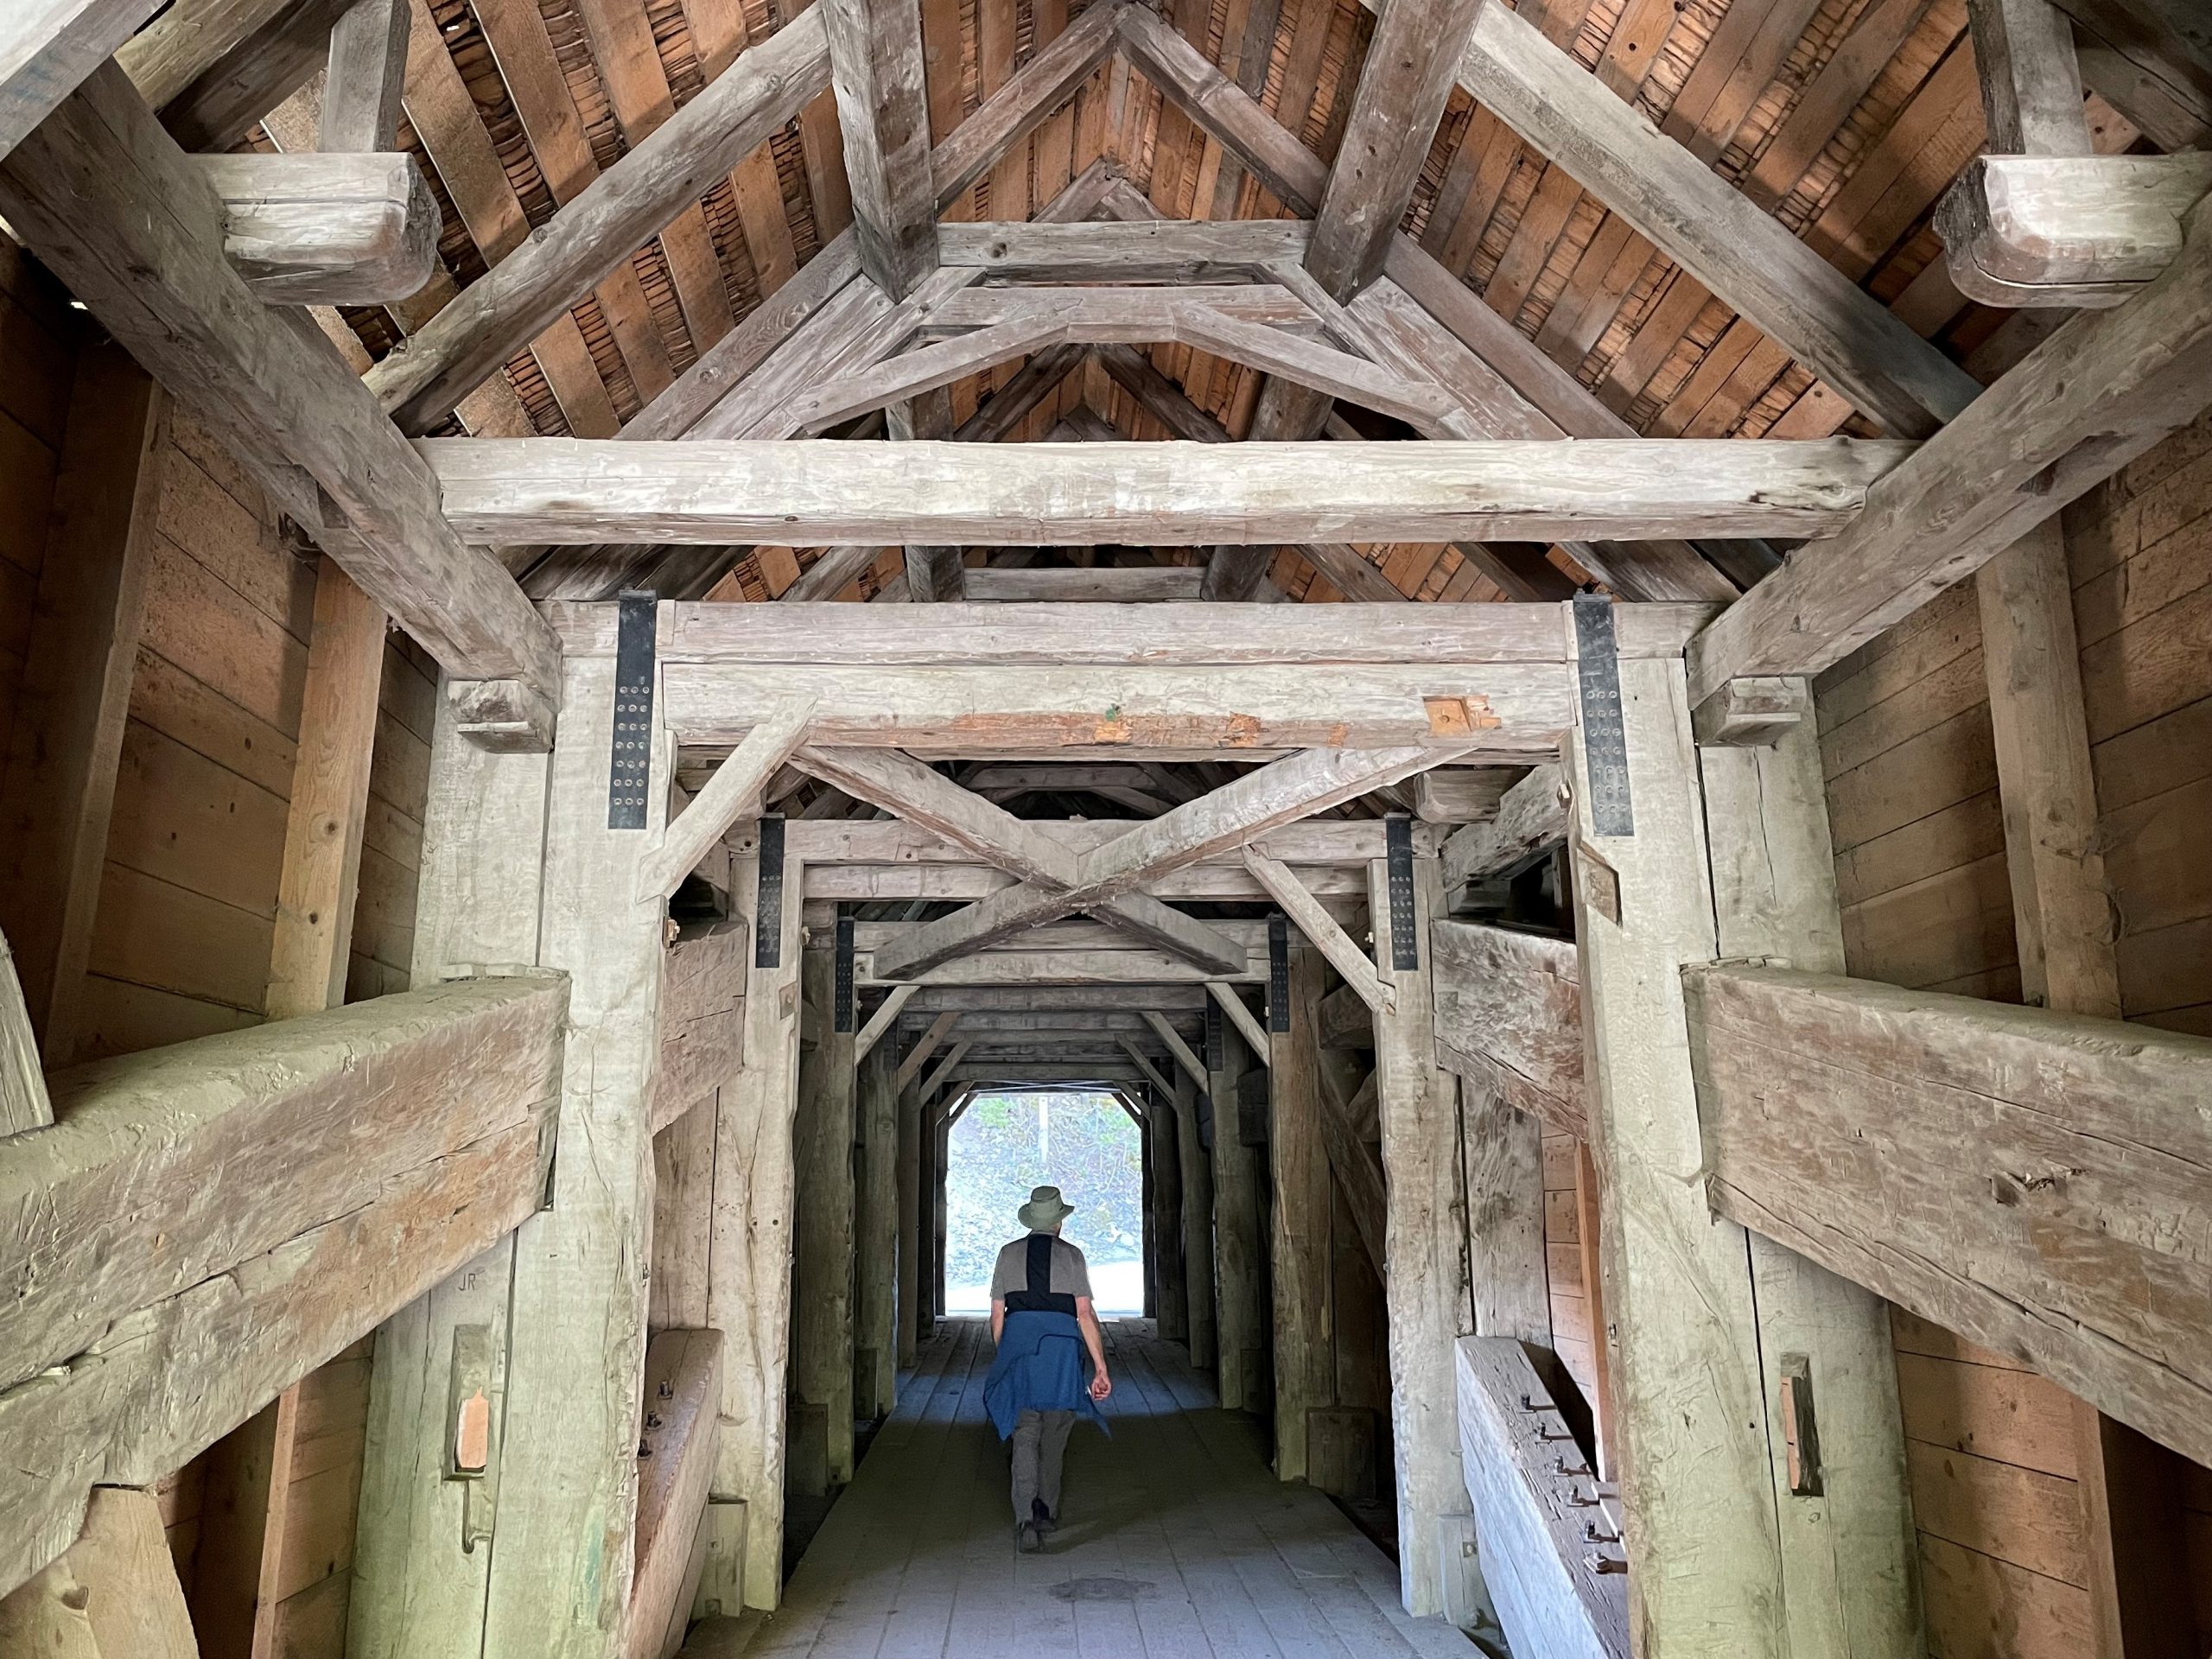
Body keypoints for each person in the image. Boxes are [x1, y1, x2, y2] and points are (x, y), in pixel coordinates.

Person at [981, 1185, 1112, 1552]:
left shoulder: (1007, 1254)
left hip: (1021, 1352)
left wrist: (1008, 1354)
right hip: (1061, 1355)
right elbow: (1084, 1314)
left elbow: (997, 1316)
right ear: (1058, 1222)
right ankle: (1046, 1511)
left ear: (1031, 1220)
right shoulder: (1072, 1256)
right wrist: (1100, 1367)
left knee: (1025, 1435)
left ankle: (1024, 1519)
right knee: (1055, 1434)